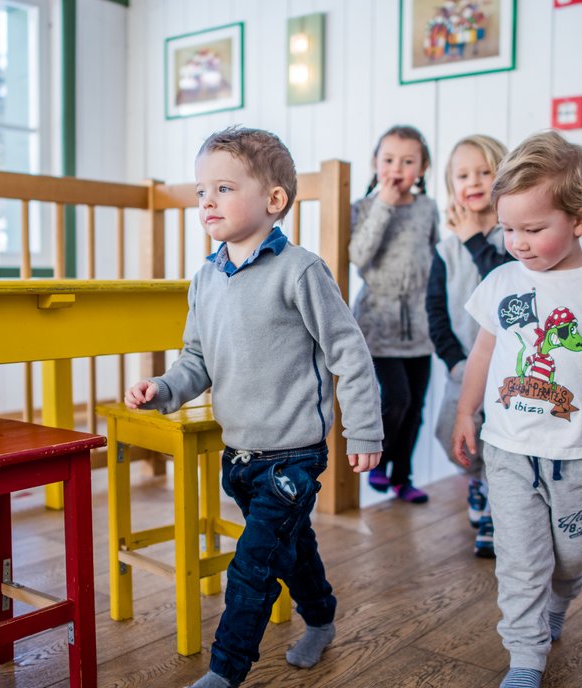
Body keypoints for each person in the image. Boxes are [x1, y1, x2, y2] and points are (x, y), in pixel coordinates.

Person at [125, 126, 384, 688]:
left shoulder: (301, 272)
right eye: (200, 191)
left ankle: (226, 670)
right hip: (239, 454)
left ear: (274, 201)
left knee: (254, 565)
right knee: (292, 549)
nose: (207, 202)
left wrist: (364, 432)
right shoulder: (204, 279)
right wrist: (163, 389)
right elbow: (197, 359)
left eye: (223, 188)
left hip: (293, 455)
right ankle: (323, 617)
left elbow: (351, 354)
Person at [453, 131, 582, 688]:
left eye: (534, 229)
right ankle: (525, 656)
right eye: (508, 228)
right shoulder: (501, 283)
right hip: (509, 450)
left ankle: (556, 608)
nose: (517, 242)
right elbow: (484, 352)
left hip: (578, 455)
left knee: (571, 555)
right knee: (520, 562)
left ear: (581, 218)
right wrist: (467, 411)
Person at [426, 134, 508, 557]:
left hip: (508, 370)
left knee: (500, 441)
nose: (473, 181)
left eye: (484, 171)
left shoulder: (514, 238)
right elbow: (435, 310)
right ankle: (477, 482)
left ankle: (497, 508)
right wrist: (453, 359)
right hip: (465, 369)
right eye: (462, 174)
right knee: (450, 434)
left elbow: (507, 285)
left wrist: (477, 237)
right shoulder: (445, 247)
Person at [351, 124, 438, 503]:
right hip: (378, 320)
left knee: (416, 405)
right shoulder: (364, 208)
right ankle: (380, 464)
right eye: (388, 160)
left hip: (420, 321)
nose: (397, 168)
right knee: (396, 399)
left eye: (407, 161)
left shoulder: (427, 208)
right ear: (375, 163)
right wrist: (384, 203)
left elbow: (435, 254)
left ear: (422, 168)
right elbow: (358, 255)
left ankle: (403, 476)